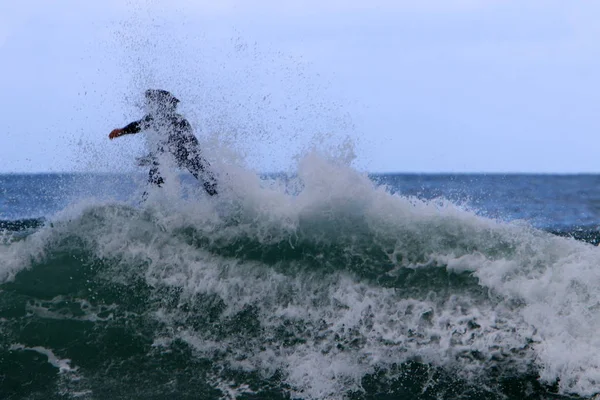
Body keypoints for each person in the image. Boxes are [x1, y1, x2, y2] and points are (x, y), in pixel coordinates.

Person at [109, 89, 218, 196]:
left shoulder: (170, 119)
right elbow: (140, 126)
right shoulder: (175, 119)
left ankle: (151, 202)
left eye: (151, 101)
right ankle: (153, 203)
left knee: (210, 181)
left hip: (188, 153)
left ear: (161, 103)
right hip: (186, 154)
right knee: (210, 182)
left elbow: (139, 125)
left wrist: (122, 131)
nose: (149, 105)